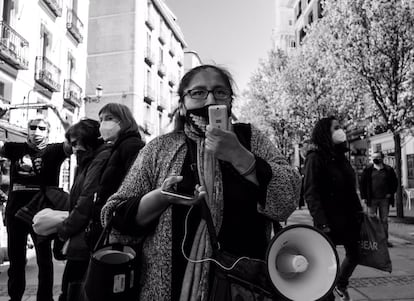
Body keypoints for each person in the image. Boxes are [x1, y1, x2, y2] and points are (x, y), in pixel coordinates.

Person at [101, 64, 300, 300]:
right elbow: (114, 217)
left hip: (243, 287)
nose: (210, 100)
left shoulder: (250, 138)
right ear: (183, 105)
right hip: (167, 289)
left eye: (220, 92)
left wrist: (240, 156)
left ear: (230, 102)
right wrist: (161, 197)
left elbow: (288, 198)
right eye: (198, 93)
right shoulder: (160, 148)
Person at [33, 118, 110, 301]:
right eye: (72, 144)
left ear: (88, 140)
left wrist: (64, 230)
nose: (74, 149)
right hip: (81, 238)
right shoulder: (87, 161)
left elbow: (86, 201)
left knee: (73, 290)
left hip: (85, 239)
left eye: (76, 143)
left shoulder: (98, 159)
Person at [0, 108, 71, 301]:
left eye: (41, 128)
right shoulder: (16, 148)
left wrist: (67, 126)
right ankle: (15, 297)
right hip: (15, 212)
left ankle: (45, 298)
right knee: (16, 260)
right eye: (33, 127)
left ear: (48, 131)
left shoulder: (55, 150)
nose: (37, 131)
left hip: (43, 214)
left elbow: (73, 143)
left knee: (44, 260)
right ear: (27, 129)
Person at [303, 116, 363, 301]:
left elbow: (350, 188)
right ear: (325, 132)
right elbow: (311, 192)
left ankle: (341, 284)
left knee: (355, 254)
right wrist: (321, 222)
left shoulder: (341, 157)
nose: (341, 130)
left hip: (348, 218)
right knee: (329, 264)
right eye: (336, 127)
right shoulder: (315, 158)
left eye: (341, 126)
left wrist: (359, 212)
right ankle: (327, 295)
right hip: (328, 221)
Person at [360, 151, 397, 247]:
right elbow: (362, 184)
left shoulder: (388, 170)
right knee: (371, 220)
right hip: (371, 199)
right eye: (374, 157)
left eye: (378, 157)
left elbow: (394, 183)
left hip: (384, 199)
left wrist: (390, 193)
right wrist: (364, 197)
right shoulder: (368, 170)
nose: (375, 159)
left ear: (382, 158)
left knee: (384, 220)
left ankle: (384, 240)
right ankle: (372, 240)